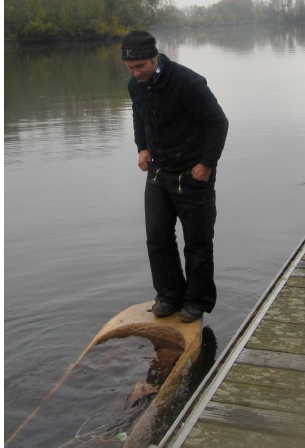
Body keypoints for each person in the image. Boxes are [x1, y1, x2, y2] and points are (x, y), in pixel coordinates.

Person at [121, 30, 229, 323]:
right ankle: (169, 295)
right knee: (157, 238)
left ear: (155, 58)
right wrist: (142, 147)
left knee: (197, 242)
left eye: (140, 66)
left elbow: (219, 122)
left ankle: (196, 301)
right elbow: (139, 114)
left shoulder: (187, 82)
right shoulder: (136, 85)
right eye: (130, 68)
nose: (135, 73)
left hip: (193, 173)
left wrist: (206, 164)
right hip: (158, 172)